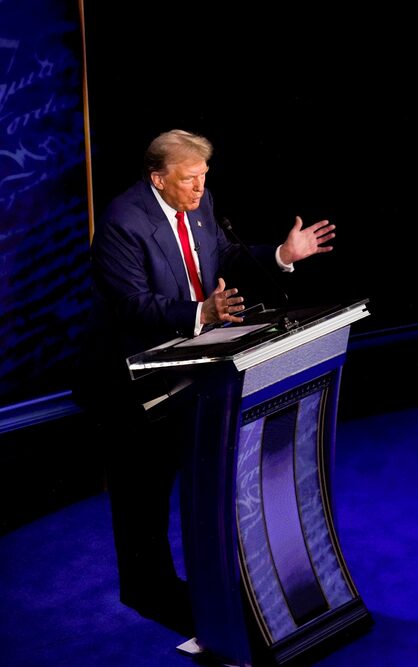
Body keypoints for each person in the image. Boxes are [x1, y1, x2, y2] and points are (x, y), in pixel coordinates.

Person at [81, 129, 336, 636]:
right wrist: (202, 312)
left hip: (194, 370)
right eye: (189, 179)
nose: (200, 188)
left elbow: (225, 257)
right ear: (158, 179)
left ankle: (217, 584)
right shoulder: (121, 224)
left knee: (198, 478)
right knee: (143, 494)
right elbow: (133, 305)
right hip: (134, 383)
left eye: (203, 176)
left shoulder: (201, 204)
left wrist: (282, 255)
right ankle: (148, 591)